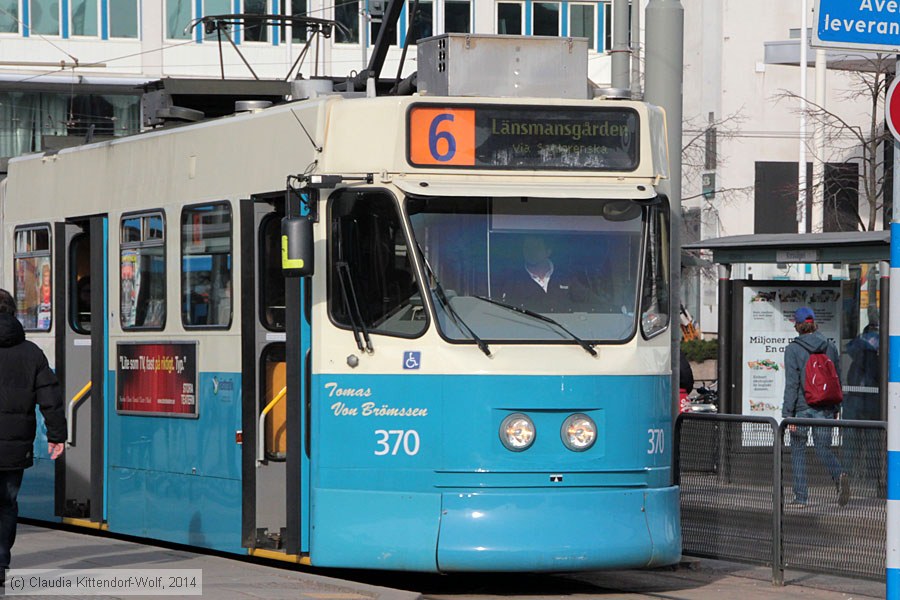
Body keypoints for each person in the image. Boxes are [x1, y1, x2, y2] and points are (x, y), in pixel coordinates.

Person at [0, 289, 66, 587]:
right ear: (14, 313)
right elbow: (50, 399)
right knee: (6, 504)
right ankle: (0, 564)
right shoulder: (32, 353)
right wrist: (57, 435)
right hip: (15, 448)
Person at [782, 306, 849, 508]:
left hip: (802, 408)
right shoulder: (829, 346)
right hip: (826, 406)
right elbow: (836, 379)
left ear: (797, 325)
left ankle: (801, 497)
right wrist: (836, 406)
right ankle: (839, 473)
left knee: (798, 450)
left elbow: (792, 384)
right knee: (823, 448)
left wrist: (787, 414)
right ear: (814, 324)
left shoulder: (793, 349)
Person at [496, 235, 587, 313]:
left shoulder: (566, 277)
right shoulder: (513, 282)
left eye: (536, 248)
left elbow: (589, 303)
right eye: (527, 248)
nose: (531, 252)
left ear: (548, 251)